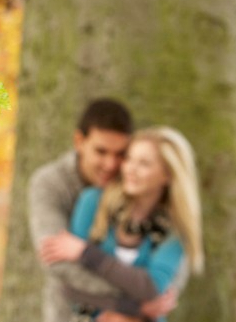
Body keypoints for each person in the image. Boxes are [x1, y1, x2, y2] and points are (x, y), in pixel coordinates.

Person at [29, 99, 177, 322]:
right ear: (79, 141)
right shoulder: (50, 183)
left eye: (120, 154)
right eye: (101, 152)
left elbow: (168, 262)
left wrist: (160, 292)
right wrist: (134, 303)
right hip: (71, 312)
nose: (111, 164)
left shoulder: (132, 180)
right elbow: (57, 261)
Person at [45, 127, 204, 321]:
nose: (130, 169)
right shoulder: (93, 202)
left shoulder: (175, 230)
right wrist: (133, 307)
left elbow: (151, 288)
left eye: (144, 164)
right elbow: (71, 284)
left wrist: (86, 253)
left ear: (167, 175)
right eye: (129, 159)